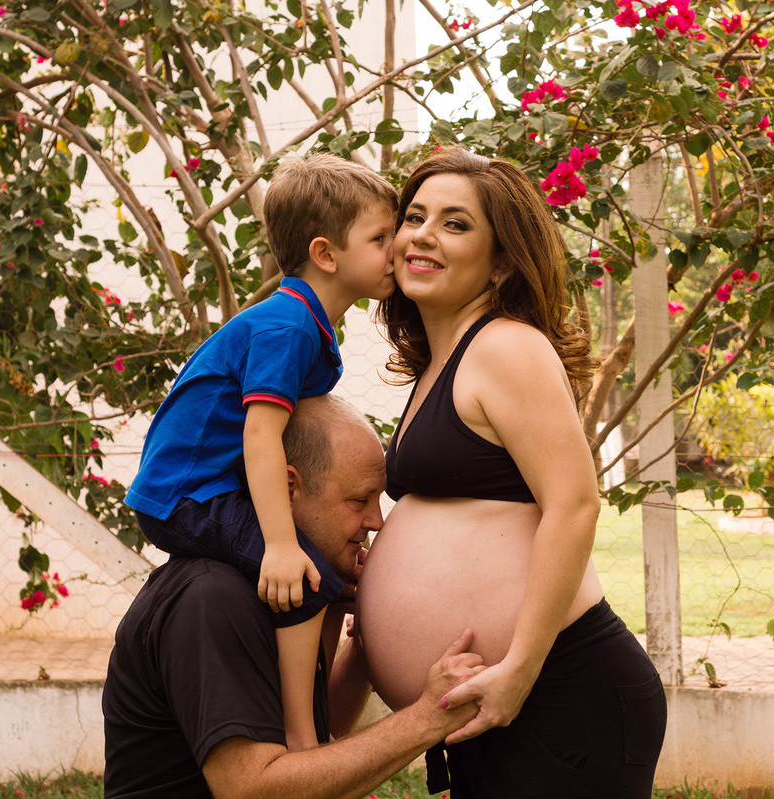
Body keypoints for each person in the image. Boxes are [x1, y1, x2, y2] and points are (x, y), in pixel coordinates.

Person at [354, 148, 667, 797]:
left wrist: (519, 669)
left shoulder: (504, 346)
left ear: (500, 262)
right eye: (415, 216)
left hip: (559, 689)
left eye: (456, 222)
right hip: (494, 704)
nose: (424, 234)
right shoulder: (442, 363)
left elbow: (575, 504)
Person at [122, 151, 398, 751]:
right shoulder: (287, 327)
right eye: (381, 238)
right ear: (326, 254)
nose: (397, 251)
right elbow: (260, 434)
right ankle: (304, 740)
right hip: (187, 498)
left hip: (203, 490)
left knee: (322, 581)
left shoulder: (305, 323)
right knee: (305, 579)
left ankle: (308, 720)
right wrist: (278, 544)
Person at [104, 395, 485, 798]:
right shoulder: (212, 598)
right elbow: (253, 789)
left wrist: (361, 645)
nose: (376, 520)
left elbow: (316, 741)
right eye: (359, 500)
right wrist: (428, 718)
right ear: (288, 488)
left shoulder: (290, 589)